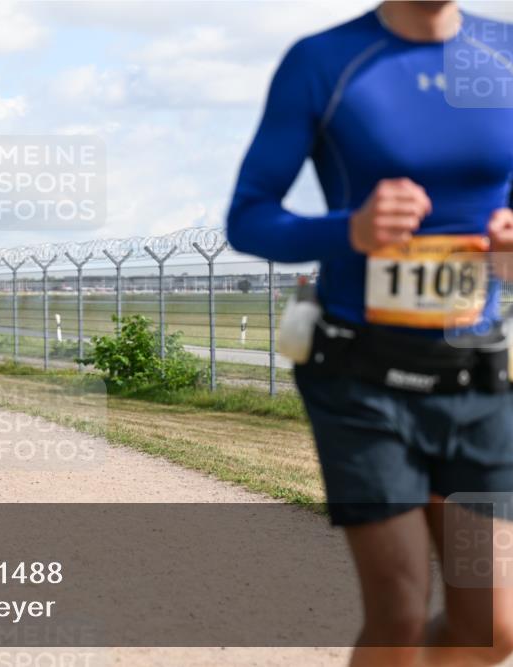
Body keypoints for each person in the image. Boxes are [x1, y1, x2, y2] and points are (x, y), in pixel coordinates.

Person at [227, 2, 513, 665]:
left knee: (492, 626)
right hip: (359, 378)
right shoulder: (324, 61)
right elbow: (249, 216)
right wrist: (347, 230)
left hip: (476, 378)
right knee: (401, 612)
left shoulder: (502, 52)